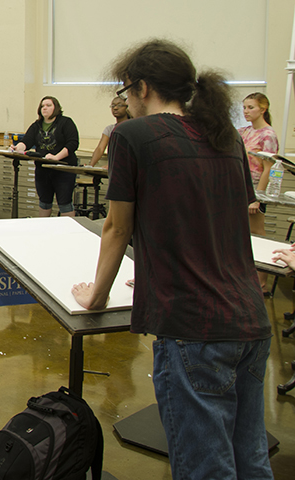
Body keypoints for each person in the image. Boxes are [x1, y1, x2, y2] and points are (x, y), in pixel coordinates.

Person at [71, 39, 273, 480]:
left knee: (206, 468)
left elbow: (117, 227)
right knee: (250, 460)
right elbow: (218, 221)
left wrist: (96, 296)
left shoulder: (132, 136)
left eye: (125, 90)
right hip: (249, 320)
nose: (125, 101)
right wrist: (154, 273)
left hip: (193, 328)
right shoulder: (225, 137)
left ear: (142, 87)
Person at [9, 96, 79, 217]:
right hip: (43, 169)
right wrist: (17, 148)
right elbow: (26, 141)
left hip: (63, 169)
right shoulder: (37, 125)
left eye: (48, 105)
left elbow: (73, 143)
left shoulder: (66, 122)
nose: (44, 108)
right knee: (44, 202)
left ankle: (68, 228)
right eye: (42, 106)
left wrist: (56, 157)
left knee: (64, 203)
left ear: (56, 108)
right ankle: (44, 227)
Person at [239, 92, 278, 294]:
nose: (246, 111)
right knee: (242, 234)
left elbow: (268, 168)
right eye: (244, 107)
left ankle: (262, 283)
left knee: (257, 234)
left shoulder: (267, 135)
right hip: (241, 186)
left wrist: (257, 198)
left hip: (255, 188)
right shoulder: (244, 131)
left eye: (251, 107)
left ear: (263, 109)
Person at [87, 96, 130, 167]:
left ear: (127, 107)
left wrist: (113, 166)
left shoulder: (132, 127)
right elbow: (100, 148)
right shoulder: (110, 128)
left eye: (119, 105)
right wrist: (90, 165)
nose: (115, 108)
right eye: (113, 105)